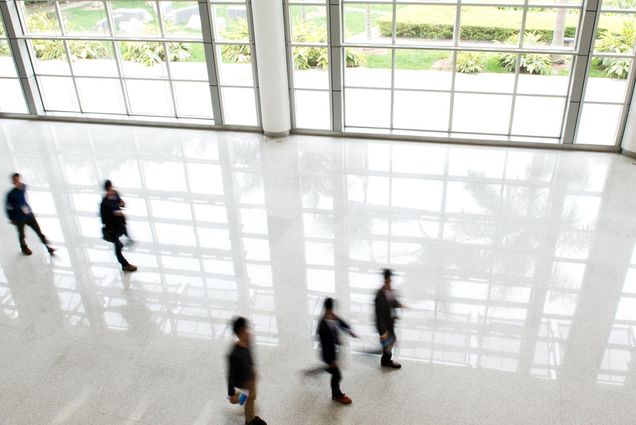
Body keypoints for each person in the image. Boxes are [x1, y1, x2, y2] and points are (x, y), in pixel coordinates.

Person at [227, 317, 267, 425]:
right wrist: (231, 393)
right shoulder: (234, 354)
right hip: (243, 380)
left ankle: (240, 398)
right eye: (243, 330)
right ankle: (249, 420)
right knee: (249, 398)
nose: (247, 332)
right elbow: (230, 374)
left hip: (250, 375)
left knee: (252, 395)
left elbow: (250, 354)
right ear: (238, 333)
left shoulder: (248, 340)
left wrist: (253, 367)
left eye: (246, 328)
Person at [317, 297, 357, 405]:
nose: (332, 313)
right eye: (330, 310)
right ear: (326, 309)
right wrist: (331, 361)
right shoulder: (322, 327)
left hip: (334, 351)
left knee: (332, 370)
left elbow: (340, 322)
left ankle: (324, 369)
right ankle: (336, 395)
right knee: (337, 375)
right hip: (328, 354)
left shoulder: (332, 316)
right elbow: (326, 346)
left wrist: (349, 330)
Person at [5, 173, 55, 256]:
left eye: (18, 180)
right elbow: (8, 207)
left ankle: (48, 248)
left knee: (39, 232)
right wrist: (12, 218)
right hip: (19, 217)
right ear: (13, 182)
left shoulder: (23, 187)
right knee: (22, 234)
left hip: (29, 215)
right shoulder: (11, 194)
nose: (17, 182)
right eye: (15, 180)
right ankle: (24, 247)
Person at [100, 180, 137, 272]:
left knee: (121, 238)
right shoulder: (104, 203)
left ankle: (127, 239)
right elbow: (105, 218)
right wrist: (115, 214)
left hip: (119, 223)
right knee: (117, 247)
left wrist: (121, 205)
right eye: (109, 188)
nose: (111, 190)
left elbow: (121, 203)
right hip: (112, 228)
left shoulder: (115, 194)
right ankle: (125, 265)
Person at [375, 268, 404, 369]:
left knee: (392, 341)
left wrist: (399, 305)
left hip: (389, 322)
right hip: (384, 324)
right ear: (386, 279)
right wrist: (382, 331)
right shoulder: (379, 295)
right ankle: (386, 360)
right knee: (389, 342)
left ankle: (386, 359)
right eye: (389, 280)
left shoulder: (389, 291)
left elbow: (392, 302)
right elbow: (378, 315)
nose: (391, 282)